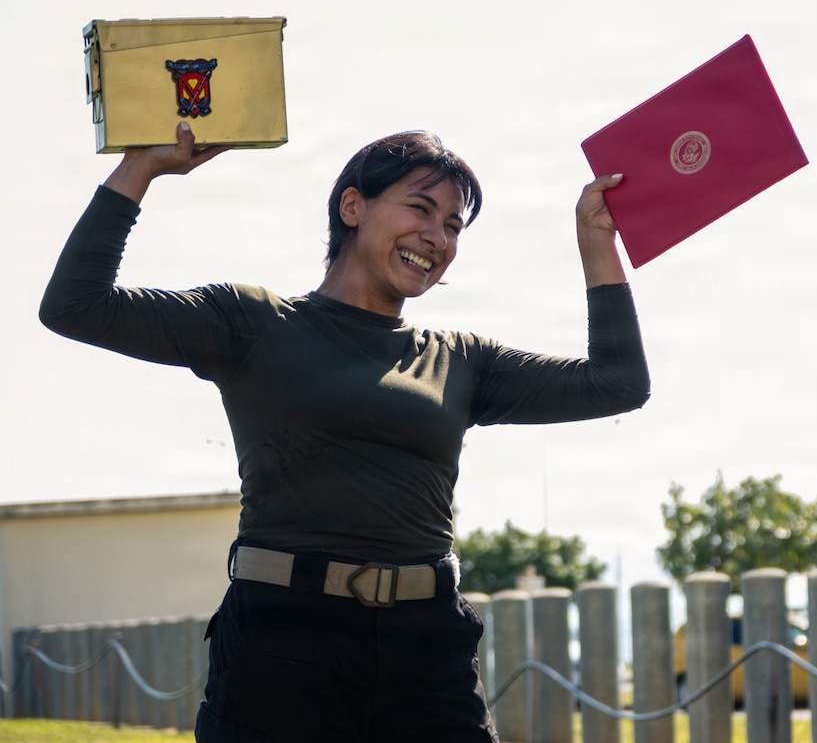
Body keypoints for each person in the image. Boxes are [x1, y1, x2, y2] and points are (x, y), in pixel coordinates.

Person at [39, 125, 650, 742]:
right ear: (352, 206)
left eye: (454, 225)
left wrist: (597, 242)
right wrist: (140, 168)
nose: (436, 236)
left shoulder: (462, 361)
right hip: (282, 645)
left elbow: (617, 384)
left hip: (427, 647)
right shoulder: (252, 322)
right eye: (420, 207)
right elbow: (75, 305)